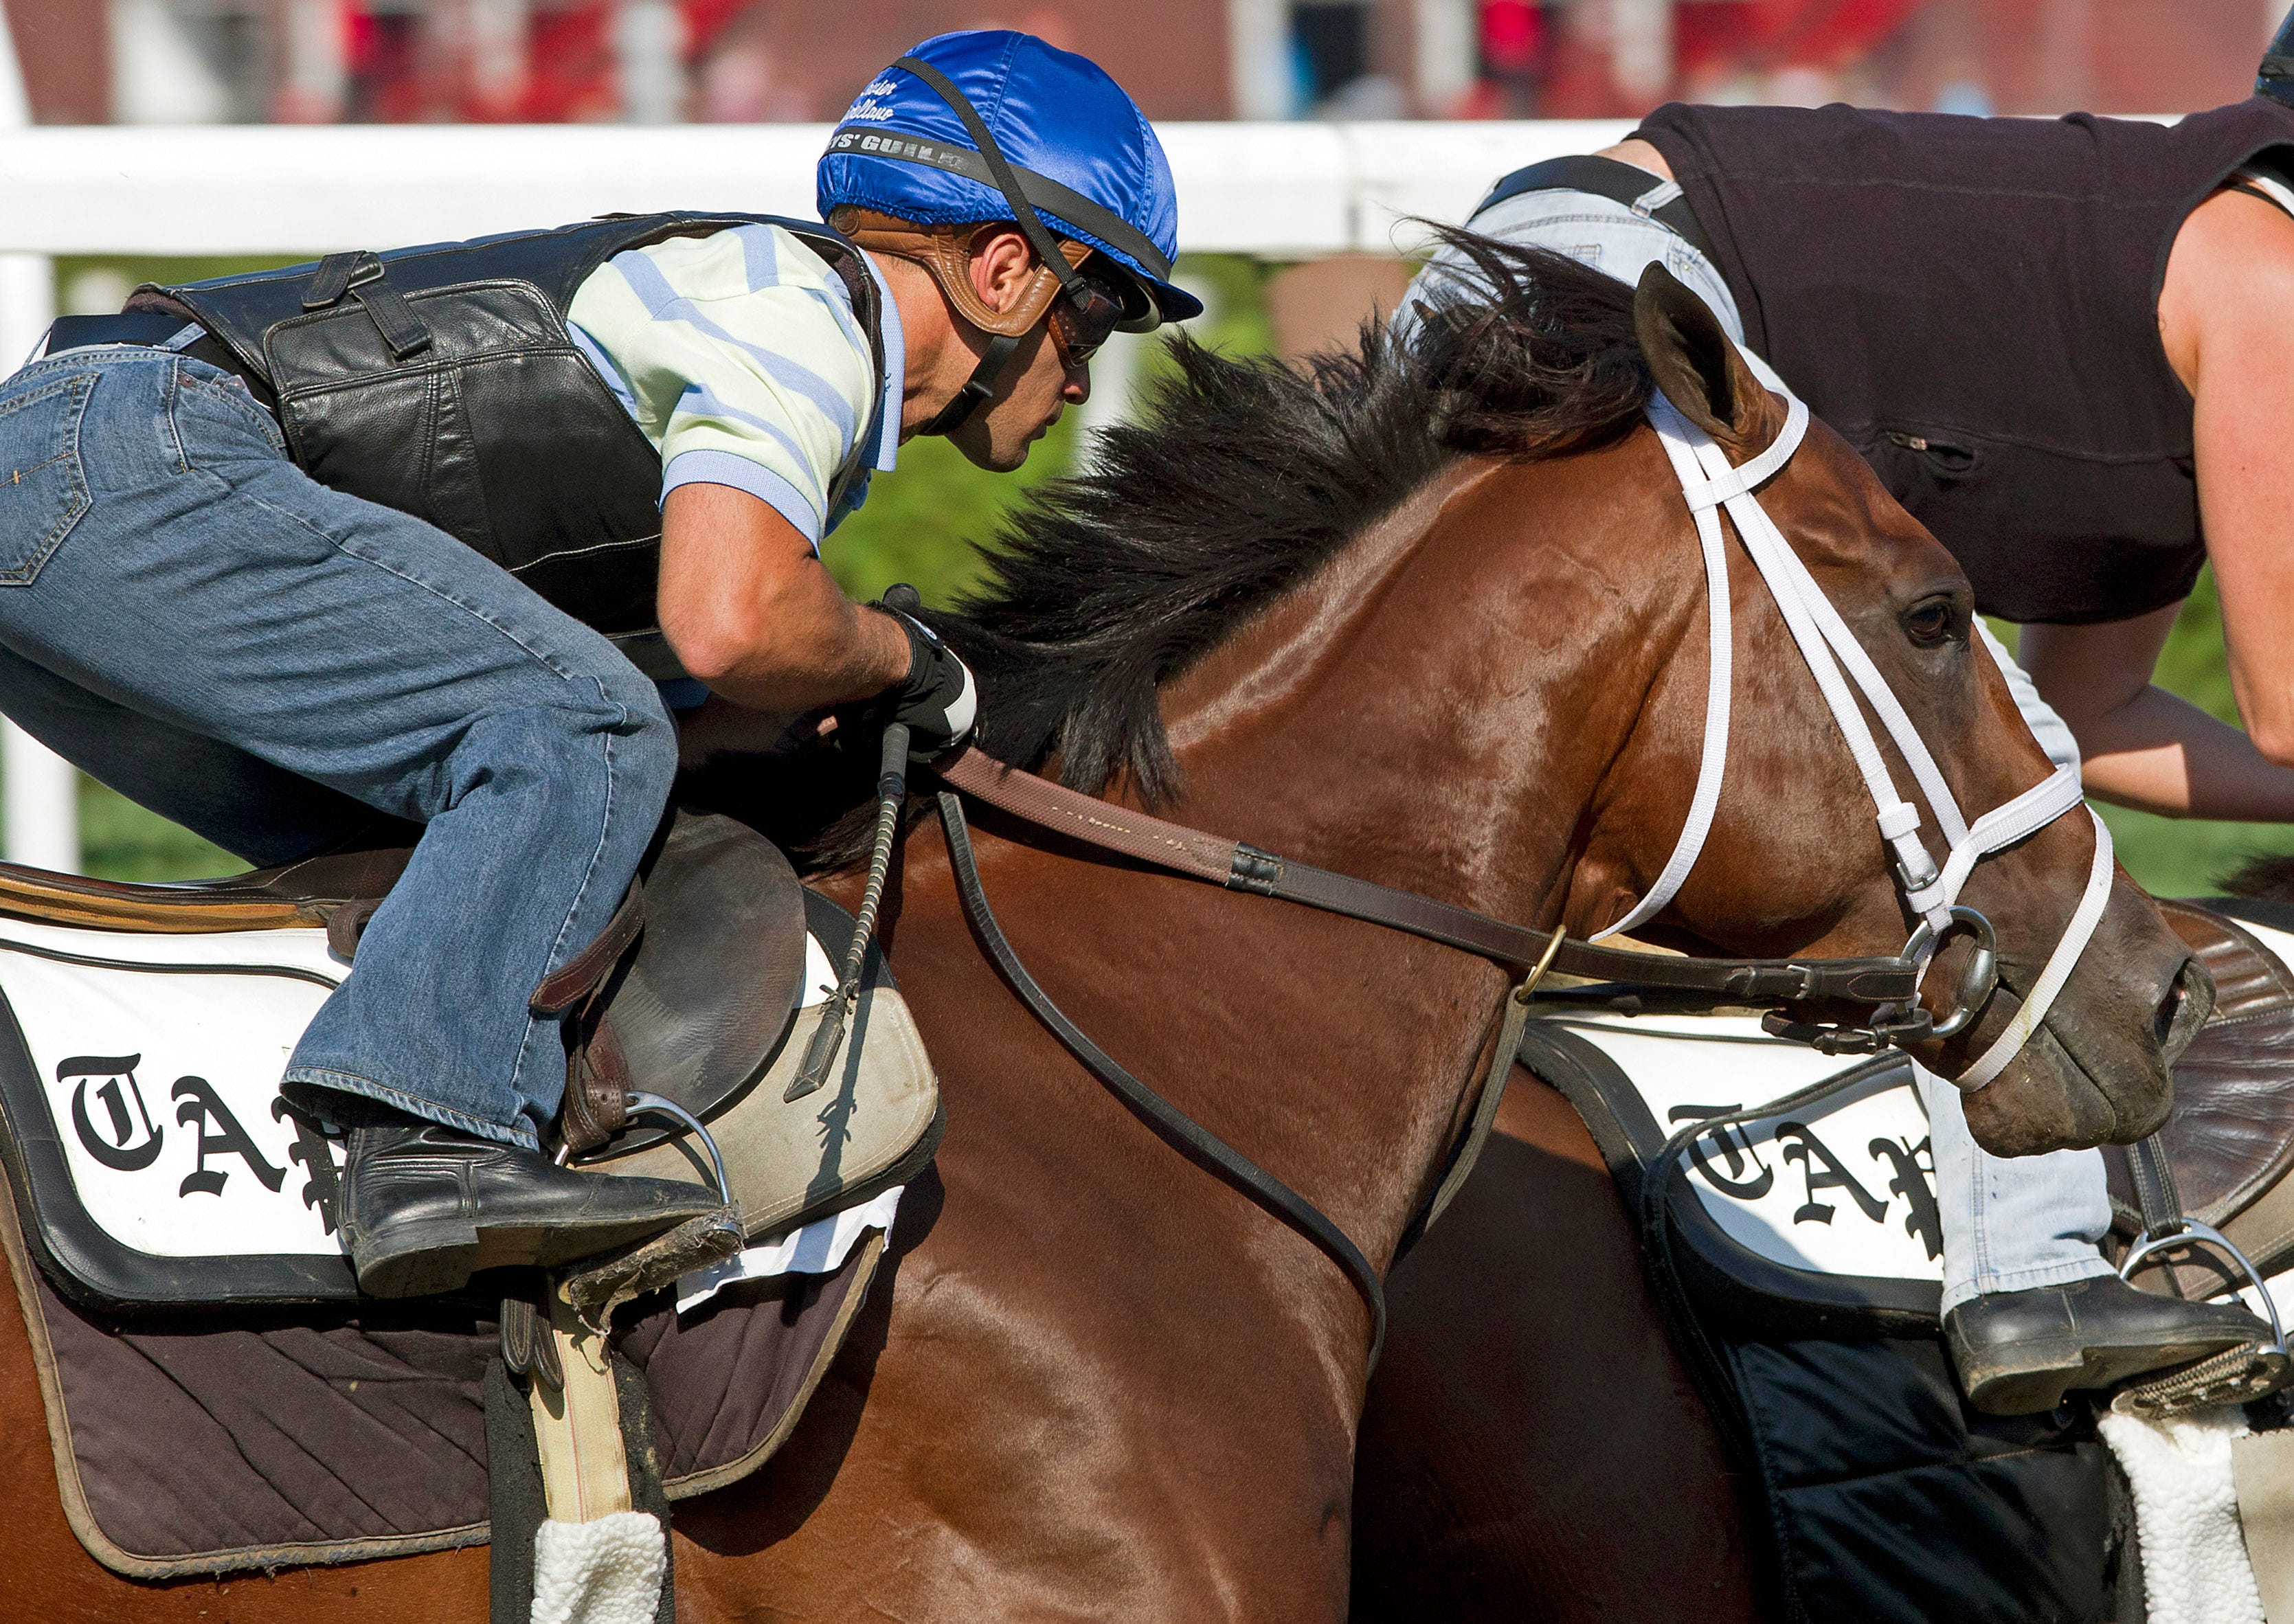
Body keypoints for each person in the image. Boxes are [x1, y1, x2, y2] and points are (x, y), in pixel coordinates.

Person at [0, 29, 1196, 1300]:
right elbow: (728, 622)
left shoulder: (783, 339)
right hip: (122, 465)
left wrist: (801, 712)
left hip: (87, 486)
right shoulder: (808, 325)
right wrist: (904, 659)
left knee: (511, 828)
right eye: (1100, 318)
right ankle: (423, 1143)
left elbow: (692, 687)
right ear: (1007, 272)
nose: (1079, 380)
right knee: (582, 733)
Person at [1400, 56, 2294, 1412]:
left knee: (1982, 762)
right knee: (1947, 771)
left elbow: (2094, 723)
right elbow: (2285, 701)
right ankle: (2035, 1275)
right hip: (1612, 288)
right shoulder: (2266, 277)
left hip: (1575, 274)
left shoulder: (2175, 316)